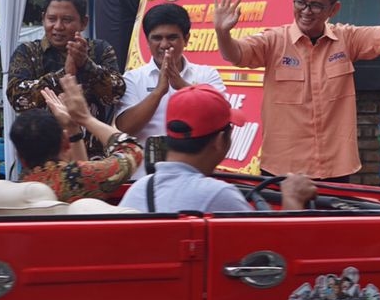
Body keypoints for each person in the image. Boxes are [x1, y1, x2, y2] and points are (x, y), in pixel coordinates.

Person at [215, 0, 380, 181]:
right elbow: (236, 54)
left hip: (336, 170)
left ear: (333, 9)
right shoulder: (274, 41)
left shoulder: (346, 39)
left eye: (316, 6)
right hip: (283, 170)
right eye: (301, 2)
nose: (306, 12)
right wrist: (222, 33)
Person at [124, 85, 317, 214]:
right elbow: (273, 254)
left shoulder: (138, 189)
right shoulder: (218, 195)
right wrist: (293, 200)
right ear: (219, 140)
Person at [6, 0, 126, 142]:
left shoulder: (100, 49)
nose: (58, 26)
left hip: (92, 151)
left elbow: (116, 93)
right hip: (42, 150)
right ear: (43, 19)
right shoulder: (27, 52)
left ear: (83, 22)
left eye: (67, 20)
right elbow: (17, 98)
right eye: (52, 19)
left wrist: (86, 64)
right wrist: (64, 75)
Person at [9, 73, 142, 203]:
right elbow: (132, 151)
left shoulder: (12, 195)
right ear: (65, 143)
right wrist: (85, 118)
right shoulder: (77, 181)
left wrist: (73, 129)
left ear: (20, 157)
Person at [115, 2, 226, 142]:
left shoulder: (207, 74)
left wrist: (182, 86)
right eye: (157, 38)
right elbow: (125, 128)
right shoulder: (132, 78)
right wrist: (158, 92)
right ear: (147, 41)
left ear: (186, 39)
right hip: (146, 157)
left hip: (194, 157)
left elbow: (221, 116)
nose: (164, 45)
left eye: (172, 38)